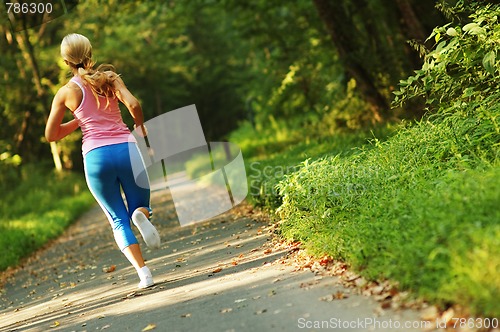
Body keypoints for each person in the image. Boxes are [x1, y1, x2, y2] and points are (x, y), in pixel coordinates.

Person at [45, 33, 161, 289]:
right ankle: (141, 215)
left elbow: (51, 135)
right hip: (126, 149)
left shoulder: (65, 93)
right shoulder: (110, 78)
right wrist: (140, 127)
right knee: (140, 205)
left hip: (96, 157)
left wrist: (80, 119)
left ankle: (144, 274)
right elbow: (133, 104)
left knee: (118, 220)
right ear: (90, 53)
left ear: (66, 61)